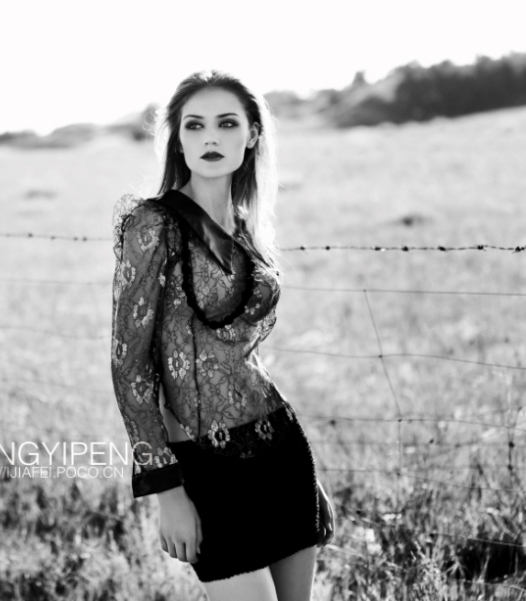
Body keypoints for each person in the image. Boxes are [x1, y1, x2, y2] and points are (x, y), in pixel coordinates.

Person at [110, 70, 335, 600]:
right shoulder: (154, 225)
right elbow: (130, 366)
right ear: (178, 139)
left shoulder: (247, 227)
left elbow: (243, 355)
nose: (211, 137)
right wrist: (168, 491)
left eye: (227, 123)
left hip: (280, 450)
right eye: (195, 125)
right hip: (204, 462)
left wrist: (311, 483)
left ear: (252, 134)